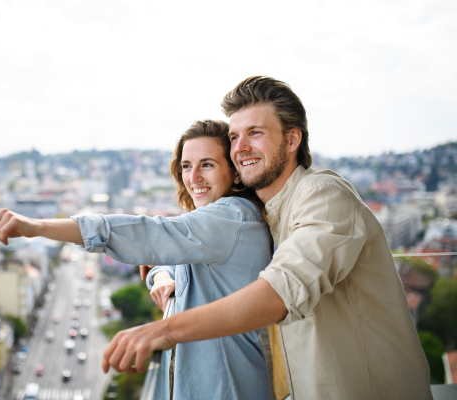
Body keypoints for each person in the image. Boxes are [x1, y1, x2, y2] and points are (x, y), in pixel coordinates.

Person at [101, 76, 433, 400]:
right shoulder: (267, 214)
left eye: (255, 133)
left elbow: (280, 292)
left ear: (292, 140)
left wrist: (162, 330)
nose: (240, 147)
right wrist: (165, 267)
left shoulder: (324, 195)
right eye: (234, 136)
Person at [0, 120, 274, 400]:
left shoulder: (232, 216)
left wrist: (35, 227)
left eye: (207, 164)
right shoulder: (213, 223)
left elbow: (150, 233)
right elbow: (174, 257)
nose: (193, 178)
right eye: (186, 166)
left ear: (234, 171)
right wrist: (163, 275)